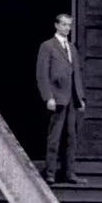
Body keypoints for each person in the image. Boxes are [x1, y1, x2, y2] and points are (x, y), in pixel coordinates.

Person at [34, 10, 87, 185]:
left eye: (69, 25)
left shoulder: (72, 48)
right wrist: (48, 97)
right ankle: (50, 173)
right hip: (56, 97)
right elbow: (42, 74)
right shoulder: (47, 46)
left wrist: (80, 98)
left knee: (72, 136)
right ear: (56, 25)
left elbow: (76, 74)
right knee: (54, 136)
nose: (67, 28)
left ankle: (70, 173)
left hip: (71, 97)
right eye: (64, 24)